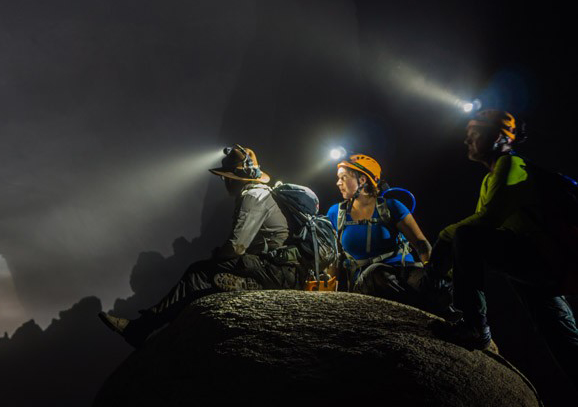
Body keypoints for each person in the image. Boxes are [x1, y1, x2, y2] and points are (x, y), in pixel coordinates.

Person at [99, 144, 303, 347]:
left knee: (197, 274)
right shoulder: (258, 194)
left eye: (226, 178)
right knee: (206, 273)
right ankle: (146, 326)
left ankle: (139, 329)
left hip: (275, 270)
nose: (224, 182)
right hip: (272, 266)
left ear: (234, 177)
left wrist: (217, 258)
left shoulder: (253, 196)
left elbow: (236, 247)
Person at [429, 110, 578, 381]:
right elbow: (481, 229)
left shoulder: (510, 166)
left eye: (473, 134)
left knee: (464, 235)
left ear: (497, 137)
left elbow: (486, 221)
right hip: (538, 268)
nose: (467, 140)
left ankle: (475, 326)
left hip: (542, 260)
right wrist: (449, 272)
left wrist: (442, 240)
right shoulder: (492, 176)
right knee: (562, 340)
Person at [326, 153, 433, 307]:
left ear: (362, 180)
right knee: (377, 274)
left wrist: (432, 274)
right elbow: (334, 257)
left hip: (402, 272)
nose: (338, 183)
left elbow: (421, 243)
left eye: (343, 177)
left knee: (427, 281)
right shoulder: (336, 213)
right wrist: (329, 293)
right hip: (369, 280)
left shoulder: (391, 207)